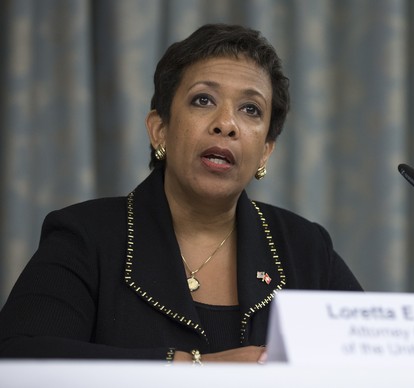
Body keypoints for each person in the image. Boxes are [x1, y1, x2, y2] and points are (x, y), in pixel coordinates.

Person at [0, 23, 362, 364]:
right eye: (203, 100)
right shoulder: (87, 236)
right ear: (160, 130)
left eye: (250, 109)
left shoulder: (305, 248)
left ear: (266, 150)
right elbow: (18, 355)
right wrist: (192, 367)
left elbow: (375, 362)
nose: (226, 124)